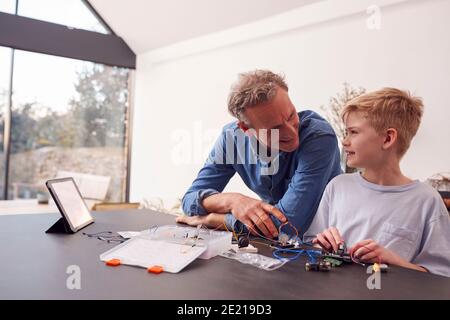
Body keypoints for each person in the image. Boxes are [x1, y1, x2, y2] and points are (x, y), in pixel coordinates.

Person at [303, 88, 450, 277]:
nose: (345, 141)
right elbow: (310, 245)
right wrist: (320, 243)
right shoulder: (337, 187)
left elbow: (441, 277)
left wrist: (393, 261)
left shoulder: (426, 201)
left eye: (353, 132)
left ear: (388, 138)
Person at [177, 70, 341, 238]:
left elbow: (286, 225)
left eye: (291, 115)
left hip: (328, 243)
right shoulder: (231, 138)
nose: (291, 132)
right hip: (275, 245)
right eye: (275, 129)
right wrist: (232, 201)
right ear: (246, 129)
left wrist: (212, 219)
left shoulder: (318, 138)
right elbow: (189, 200)